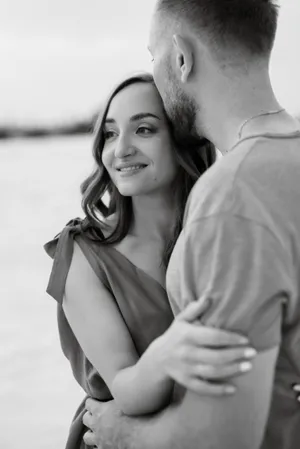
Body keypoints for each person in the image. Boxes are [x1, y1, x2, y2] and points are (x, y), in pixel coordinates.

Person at [82, 1, 300, 449]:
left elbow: (224, 436)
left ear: (180, 58)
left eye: (152, 57)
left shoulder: (232, 196)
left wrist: (122, 432)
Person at [44, 73, 256, 449]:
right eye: (110, 134)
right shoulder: (83, 252)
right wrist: (171, 351)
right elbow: (129, 391)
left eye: (143, 129)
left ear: (183, 141)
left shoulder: (226, 234)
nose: (121, 149)